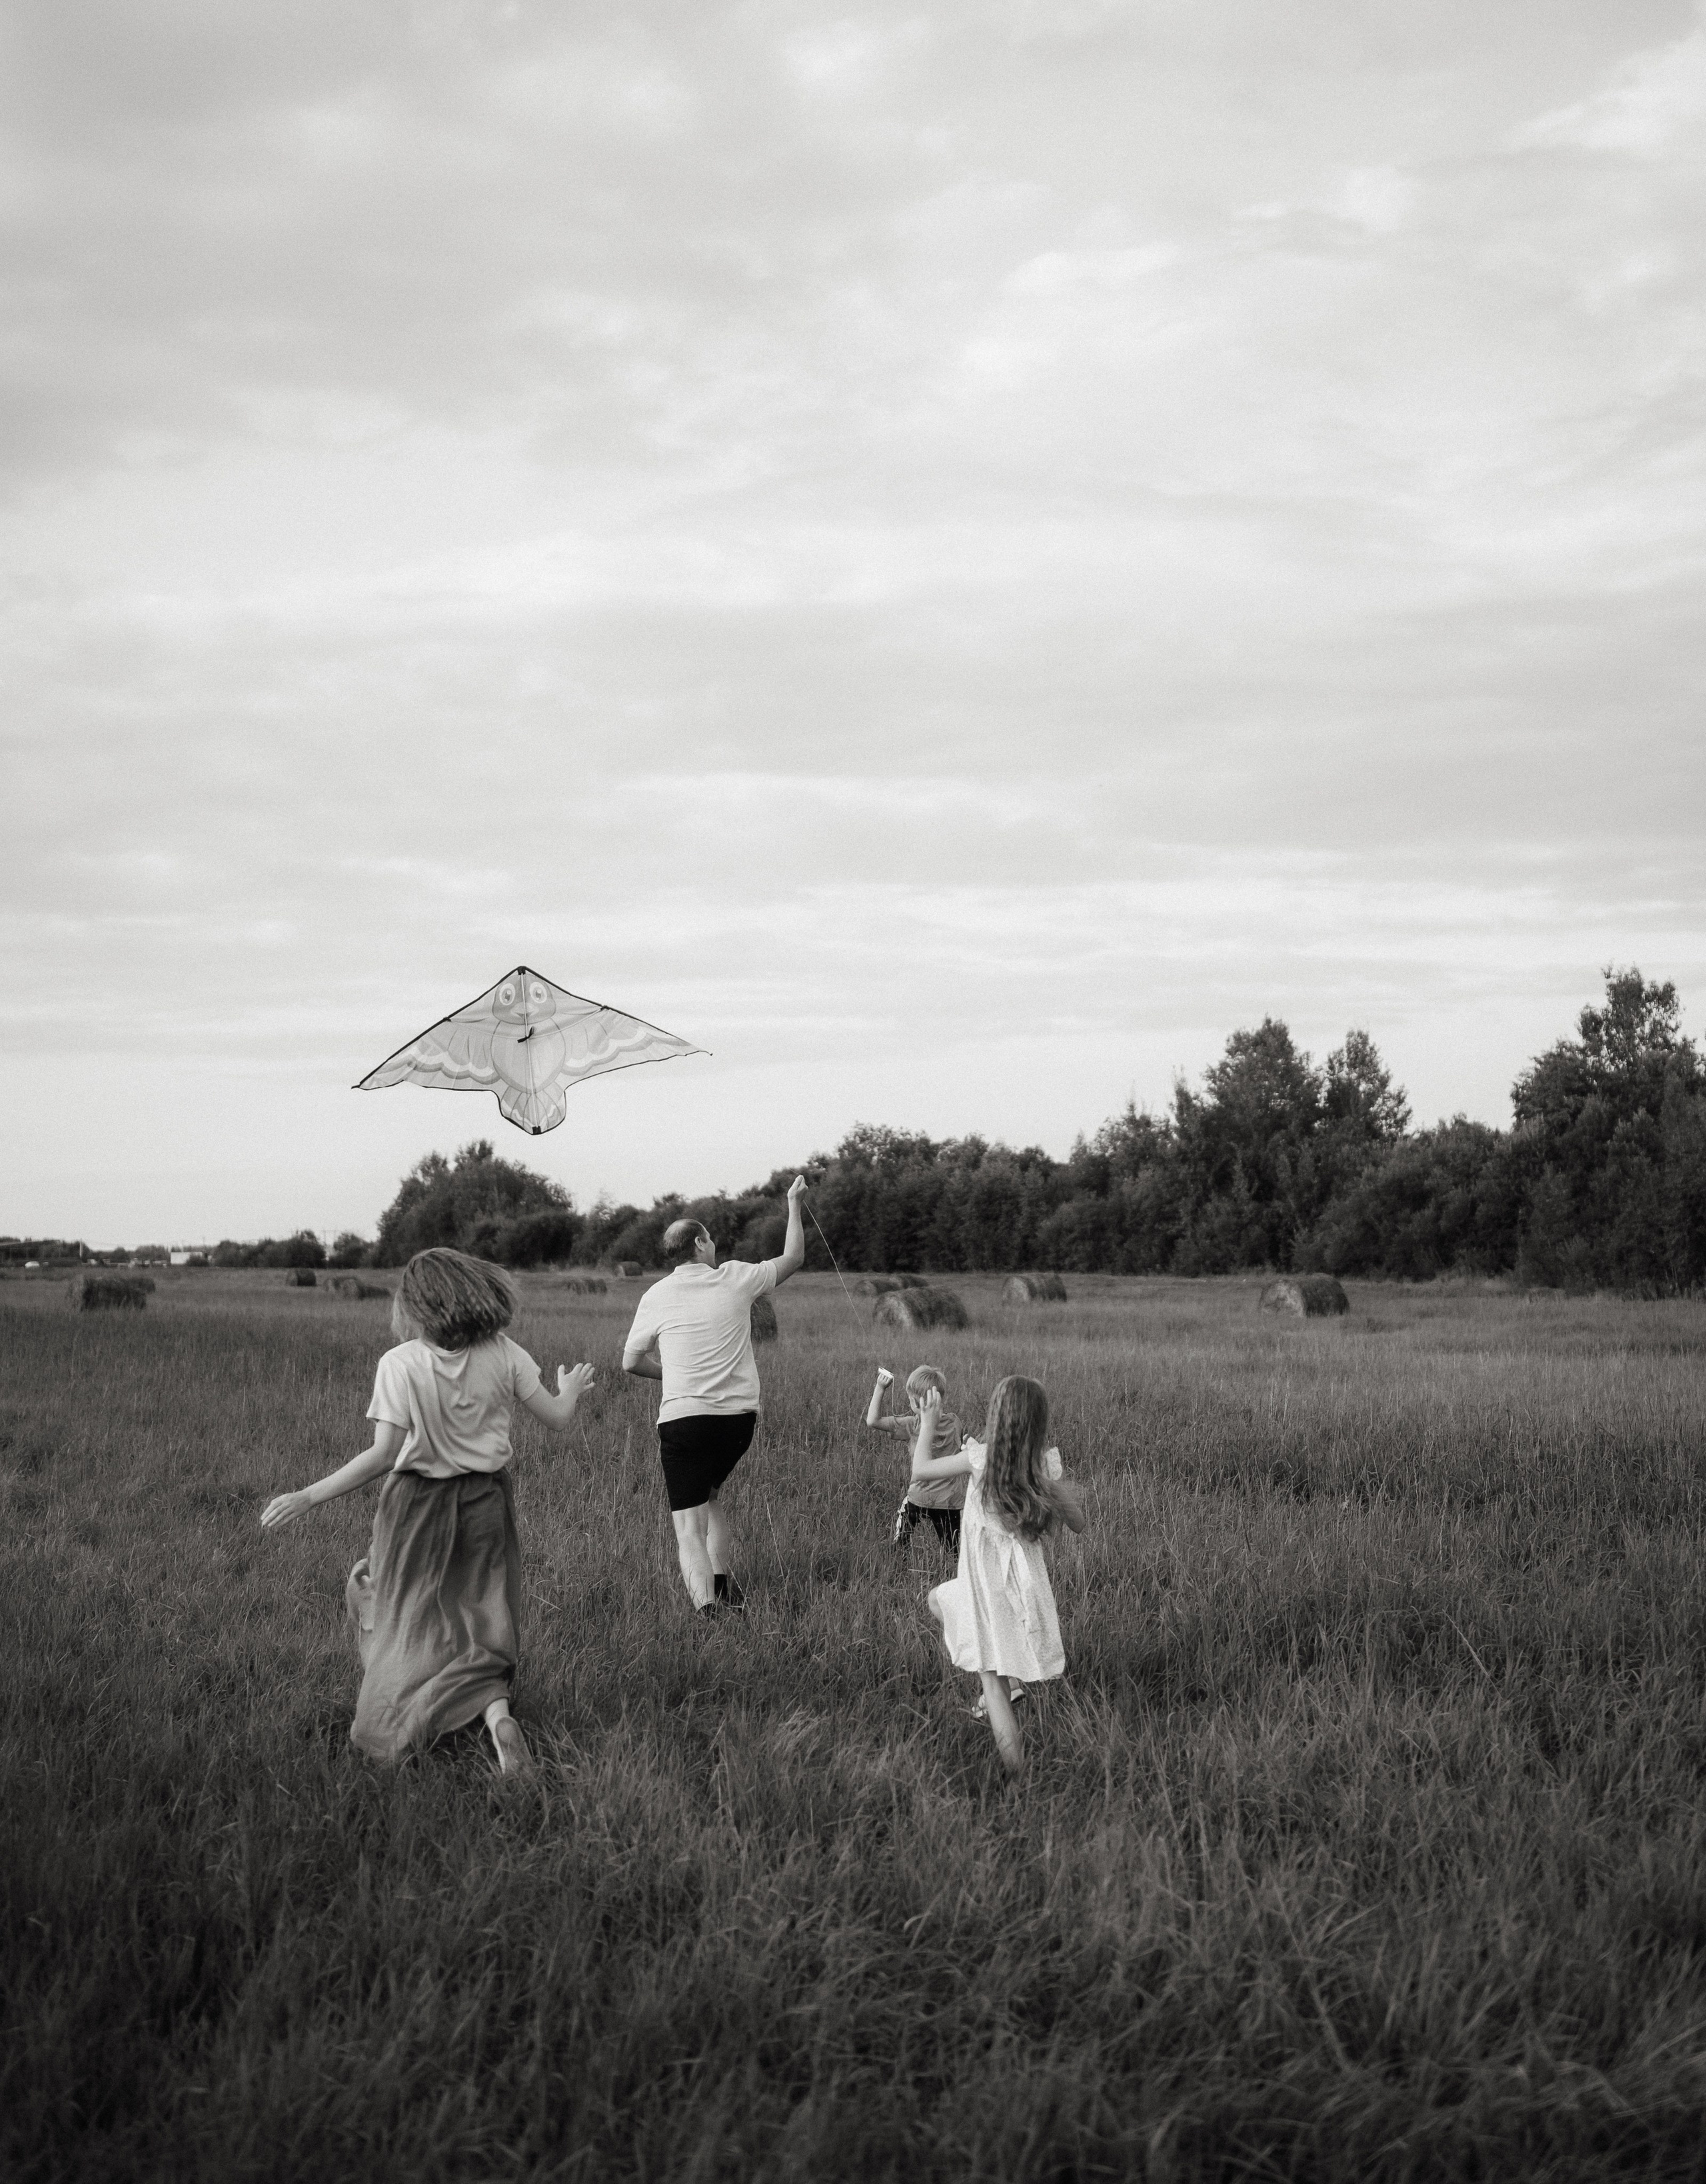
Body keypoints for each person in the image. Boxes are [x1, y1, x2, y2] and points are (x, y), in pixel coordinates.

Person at [260, 1247, 594, 1777]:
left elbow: (383, 1455)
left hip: (415, 1508)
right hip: (486, 1501)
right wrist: (569, 1389)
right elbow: (556, 1417)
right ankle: (498, 1718)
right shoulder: (505, 1351)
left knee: (396, 1608)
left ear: (415, 1303)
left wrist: (308, 1496)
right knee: (481, 1617)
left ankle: (396, 1719)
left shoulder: (400, 1363)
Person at [621, 1176, 807, 1611]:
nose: (714, 1244)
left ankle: (709, 1614)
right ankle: (722, 1588)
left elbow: (630, 1362)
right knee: (710, 1496)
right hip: (738, 1423)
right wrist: (794, 1203)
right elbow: (794, 1257)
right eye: (710, 1239)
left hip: (684, 1422)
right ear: (700, 1244)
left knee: (689, 1528)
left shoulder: (655, 1295)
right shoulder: (737, 1277)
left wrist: (673, 1376)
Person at [911, 1374, 1086, 1777]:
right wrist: (1048, 1485)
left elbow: (920, 1469)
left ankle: (1018, 1778)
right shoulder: (1038, 1467)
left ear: (996, 1416)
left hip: (987, 1591)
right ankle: (1011, 1686)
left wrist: (928, 1423)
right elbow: (1079, 1523)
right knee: (938, 1600)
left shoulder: (981, 1460)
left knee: (990, 1681)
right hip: (1015, 1589)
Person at [864, 1363, 966, 1558]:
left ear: (914, 1402)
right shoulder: (955, 1422)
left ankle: (899, 1555)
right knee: (952, 1550)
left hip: (919, 1497)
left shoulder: (912, 1425)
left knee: (903, 1526)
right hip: (951, 1501)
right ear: (940, 1398)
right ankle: (951, 1568)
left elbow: (872, 1421)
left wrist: (880, 1387)